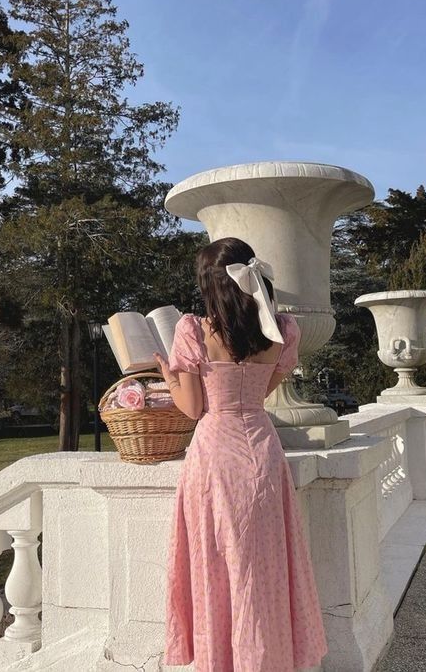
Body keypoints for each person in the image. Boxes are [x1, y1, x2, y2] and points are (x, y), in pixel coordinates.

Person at [154, 237, 327, 672]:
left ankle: (222, 661)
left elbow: (195, 408)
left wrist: (169, 376)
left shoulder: (194, 331)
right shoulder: (282, 331)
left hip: (215, 461)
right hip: (263, 455)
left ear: (210, 286)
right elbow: (262, 394)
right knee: (264, 571)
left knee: (218, 570)